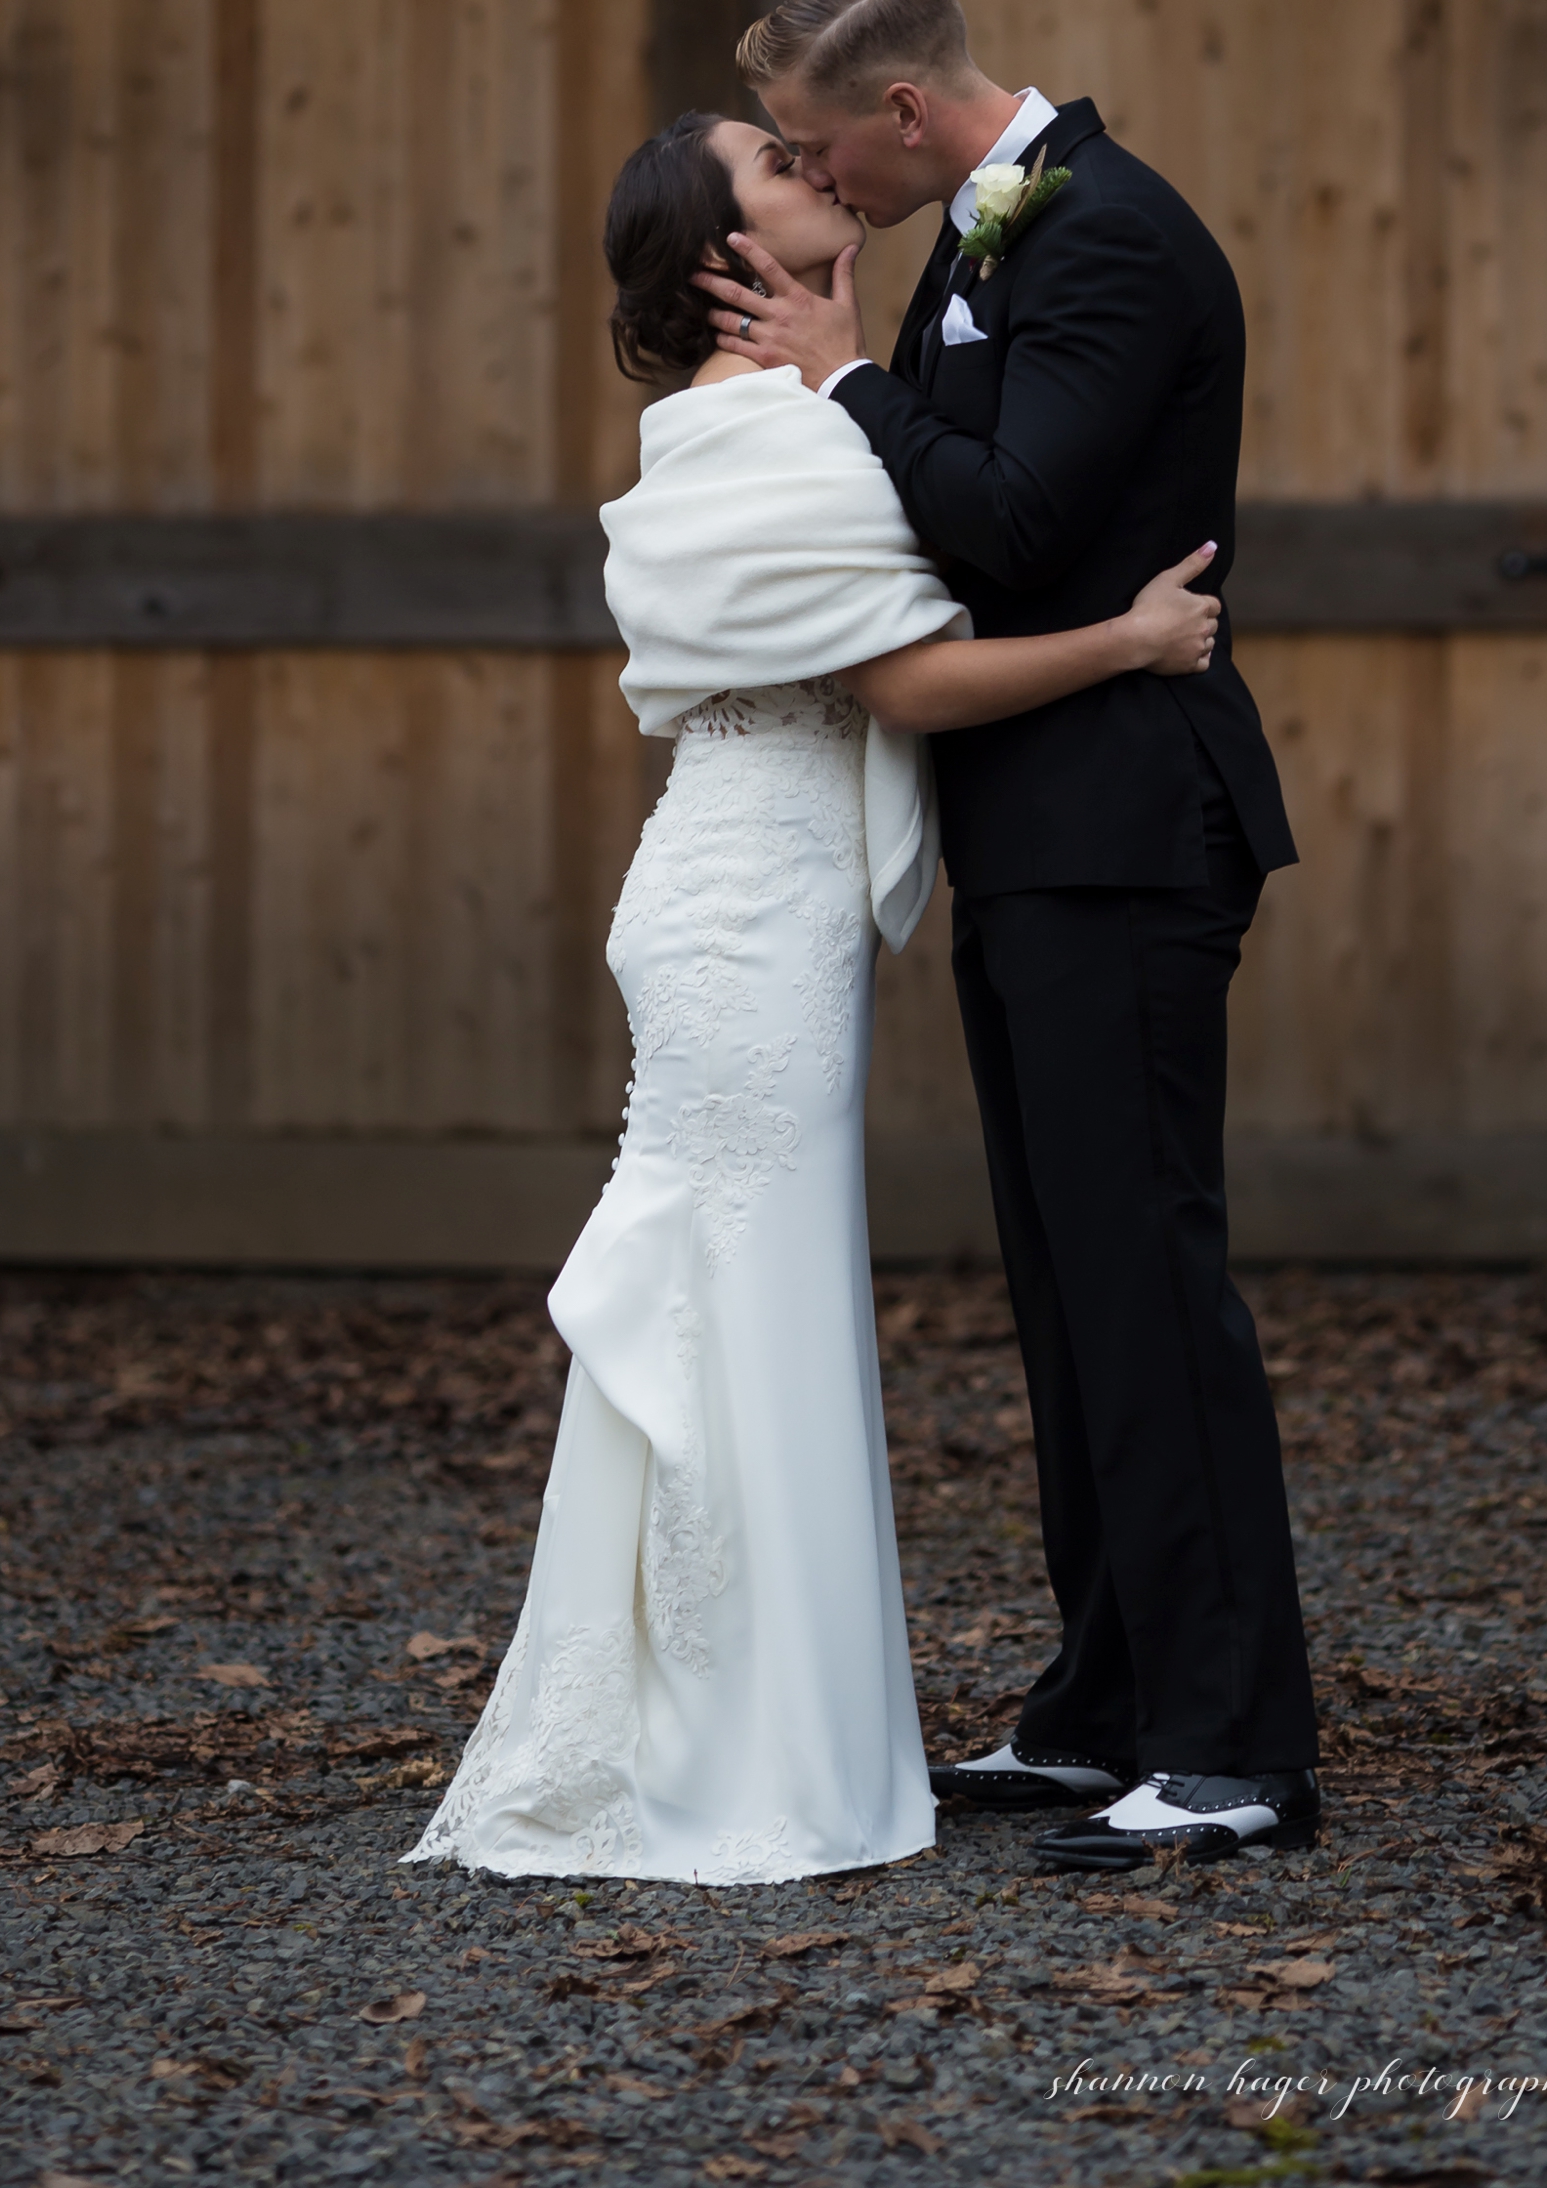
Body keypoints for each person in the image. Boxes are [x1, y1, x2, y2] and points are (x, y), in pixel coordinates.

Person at [404, 109, 1221, 1886]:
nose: (819, 164)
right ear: (725, 251)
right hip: (741, 921)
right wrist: (1130, 643)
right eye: (779, 157)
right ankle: (726, 1749)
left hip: (751, 902)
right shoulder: (761, 434)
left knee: (737, 1298)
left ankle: (717, 1716)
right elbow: (915, 683)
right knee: (743, 1307)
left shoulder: (798, 406)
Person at [693, 0, 1319, 1873]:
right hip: (1036, 831)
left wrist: (849, 381)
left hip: (1129, 825)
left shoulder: (1109, 237)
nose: (812, 178)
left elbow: (1019, 517)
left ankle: (1231, 1750)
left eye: (816, 146)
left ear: (898, 115)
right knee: (1066, 1287)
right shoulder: (982, 238)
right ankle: (1101, 1707)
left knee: (1147, 1284)